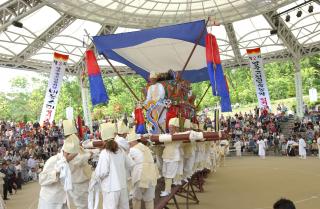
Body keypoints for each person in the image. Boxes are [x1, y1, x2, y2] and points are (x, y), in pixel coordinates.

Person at [37, 129, 80, 209]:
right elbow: (42, 180)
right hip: (50, 201)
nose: (73, 159)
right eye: (72, 156)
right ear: (66, 153)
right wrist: (57, 171)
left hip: (63, 199)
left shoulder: (70, 163)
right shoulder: (53, 160)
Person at [95, 122, 132, 209]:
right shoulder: (120, 150)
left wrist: (95, 176)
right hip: (122, 186)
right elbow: (130, 164)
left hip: (110, 188)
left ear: (103, 138)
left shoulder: (105, 153)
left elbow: (102, 173)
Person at [63, 120, 92, 209]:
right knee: (82, 206)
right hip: (77, 182)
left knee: (87, 204)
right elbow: (77, 161)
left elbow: (84, 152)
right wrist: (89, 155)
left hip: (83, 179)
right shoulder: (67, 148)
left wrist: (92, 152)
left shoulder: (75, 145)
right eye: (75, 134)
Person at [128, 132, 158, 209]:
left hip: (140, 176)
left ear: (132, 142)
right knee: (149, 200)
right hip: (152, 175)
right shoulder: (145, 148)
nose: (129, 145)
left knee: (136, 198)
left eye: (129, 143)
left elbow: (127, 164)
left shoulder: (132, 150)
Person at [161, 118, 181, 197]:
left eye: (172, 127)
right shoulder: (166, 135)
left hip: (173, 157)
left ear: (176, 128)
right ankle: (166, 189)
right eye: (169, 127)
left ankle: (167, 190)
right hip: (165, 156)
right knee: (165, 173)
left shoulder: (179, 136)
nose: (170, 129)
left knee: (169, 174)